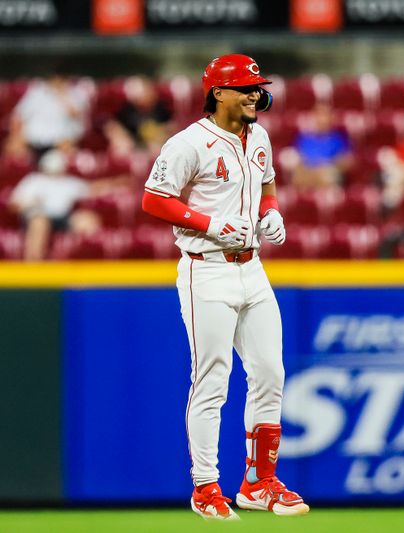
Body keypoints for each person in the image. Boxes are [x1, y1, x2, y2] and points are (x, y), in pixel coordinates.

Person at [140, 54, 308, 520]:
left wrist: (271, 211)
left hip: (252, 268)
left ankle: (259, 482)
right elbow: (154, 198)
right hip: (205, 268)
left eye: (258, 86)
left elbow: (267, 183)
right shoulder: (188, 143)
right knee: (212, 381)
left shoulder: (260, 136)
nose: (256, 93)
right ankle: (205, 487)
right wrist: (209, 223)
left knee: (270, 373)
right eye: (246, 87)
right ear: (219, 93)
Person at [8, 148, 101, 261]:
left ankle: (83, 264)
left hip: (62, 218)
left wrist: (120, 182)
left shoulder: (69, 182)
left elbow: (93, 189)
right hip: (38, 216)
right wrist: (30, 203)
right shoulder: (33, 181)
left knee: (87, 220)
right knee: (40, 222)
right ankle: (33, 264)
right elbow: (13, 205)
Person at [3, 73, 90, 159]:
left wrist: (61, 94)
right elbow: (18, 116)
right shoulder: (36, 93)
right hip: (32, 138)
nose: (57, 81)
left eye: (60, 78)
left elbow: (76, 115)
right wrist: (16, 136)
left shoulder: (76, 94)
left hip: (59, 141)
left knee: (70, 151)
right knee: (13, 146)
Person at [281, 103, 352, 190]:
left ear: (331, 118)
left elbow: (346, 161)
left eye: (325, 116)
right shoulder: (303, 138)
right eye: (318, 115)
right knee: (298, 175)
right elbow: (295, 157)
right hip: (307, 172)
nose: (322, 120)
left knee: (328, 176)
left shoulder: (339, 139)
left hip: (327, 173)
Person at [104, 76, 174, 156]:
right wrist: (121, 137)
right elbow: (110, 125)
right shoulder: (127, 110)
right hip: (132, 145)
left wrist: (158, 134)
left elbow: (171, 127)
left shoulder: (160, 108)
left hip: (154, 145)